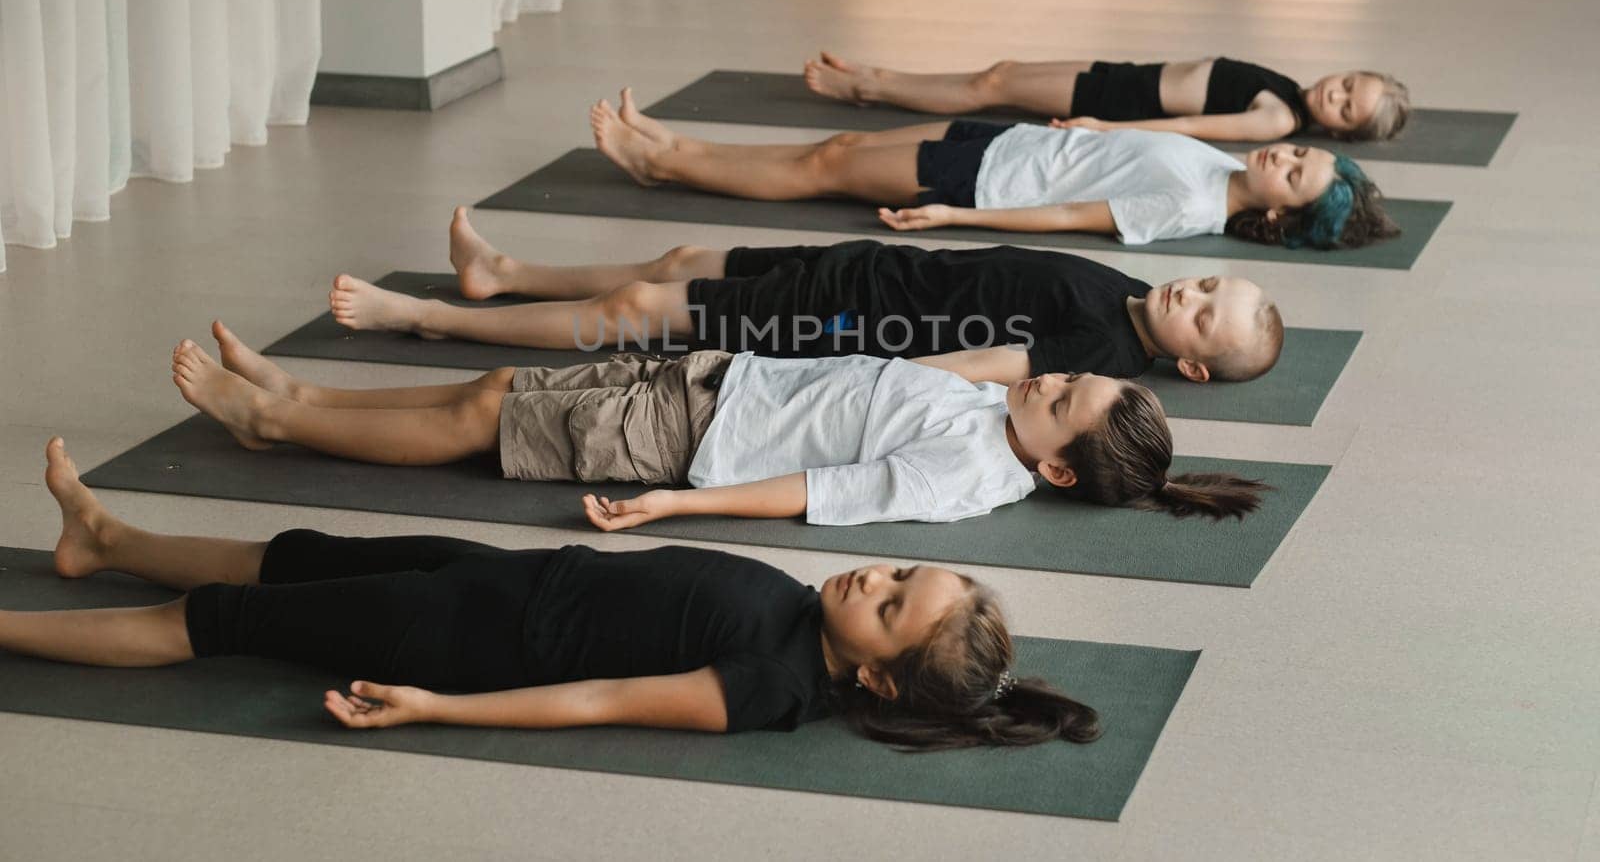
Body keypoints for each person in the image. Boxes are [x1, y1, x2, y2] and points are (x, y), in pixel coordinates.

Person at [2, 438, 1100, 747]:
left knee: (229, 624)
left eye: (893, 601)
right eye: (904, 568)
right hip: (506, 578)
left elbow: (596, 700)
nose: (878, 572)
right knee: (298, 552)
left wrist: (436, 707)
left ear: (874, 668)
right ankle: (108, 535)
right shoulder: (800, 613)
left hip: (456, 633)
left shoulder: (765, 683)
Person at [172, 323, 1267, 524]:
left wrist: (680, 499)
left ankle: (278, 427)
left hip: (687, 440)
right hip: (717, 380)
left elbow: (819, 493)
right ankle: (303, 399)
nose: (1052, 381)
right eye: (1071, 377)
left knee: (477, 417)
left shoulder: (968, 473)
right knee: (503, 383)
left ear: (1061, 470)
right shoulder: (998, 418)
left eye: (1063, 400)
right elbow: (898, 377)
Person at [329, 210, 1283, 384]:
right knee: (682, 255)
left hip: (842, 317)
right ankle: (505, 275)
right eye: (1207, 282)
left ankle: (425, 316)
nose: (1190, 292)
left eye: (1205, 315)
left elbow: (977, 367)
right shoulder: (1129, 299)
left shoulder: (1105, 351)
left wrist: (842, 362)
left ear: (1192, 361)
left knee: (634, 314)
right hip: (859, 267)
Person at [587, 89, 1399, 249]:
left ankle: (666, 167)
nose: (1284, 155)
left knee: (824, 164)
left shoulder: (1188, 207)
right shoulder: (1222, 167)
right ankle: (673, 148)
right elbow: (1133, 147)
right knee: (826, 152)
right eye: (1299, 150)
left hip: (989, 182)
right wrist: (1100, 124)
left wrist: (958, 218)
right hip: (1010, 141)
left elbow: (1066, 220)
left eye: (1294, 174)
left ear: (1279, 216)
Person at [802, 52, 1410, 143]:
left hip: (1118, 100)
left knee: (992, 89)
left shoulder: (1277, 118)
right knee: (998, 77)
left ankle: (867, 85)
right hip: (1123, 76)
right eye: (1350, 84)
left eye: (1346, 107)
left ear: (1337, 129)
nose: (1338, 93)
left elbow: (1193, 128)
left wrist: (1105, 126)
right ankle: (877, 79)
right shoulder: (1287, 91)